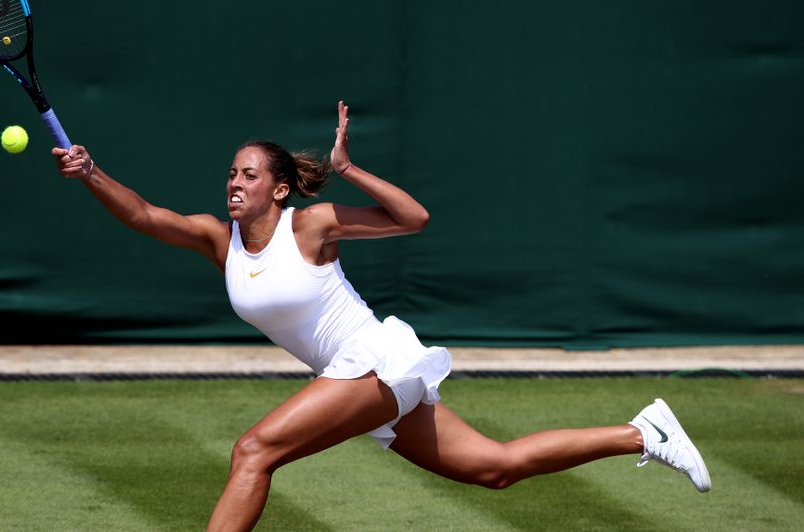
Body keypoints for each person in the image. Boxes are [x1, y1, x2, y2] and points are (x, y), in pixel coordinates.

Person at [53, 101, 711, 532]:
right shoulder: (215, 239)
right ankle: (641, 432)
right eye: (231, 172)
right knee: (495, 467)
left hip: (371, 363)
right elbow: (141, 214)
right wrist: (90, 173)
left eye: (248, 175)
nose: (233, 182)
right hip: (364, 381)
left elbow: (412, 218)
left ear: (278, 189)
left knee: (253, 452)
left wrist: (348, 169)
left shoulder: (310, 225)